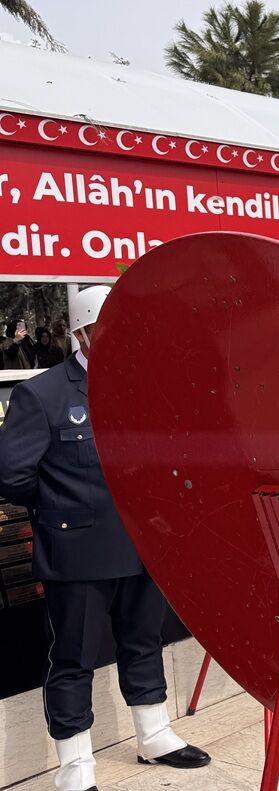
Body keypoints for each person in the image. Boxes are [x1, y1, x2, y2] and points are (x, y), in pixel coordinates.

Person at [0, 287, 211, 791]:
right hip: (78, 551)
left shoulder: (146, 387)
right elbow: (11, 475)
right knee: (74, 658)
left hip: (144, 545)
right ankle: (75, 767)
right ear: (81, 333)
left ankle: (154, 736)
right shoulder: (44, 393)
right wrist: (64, 508)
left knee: (144, 642)